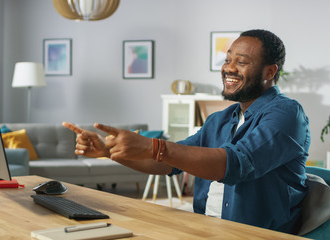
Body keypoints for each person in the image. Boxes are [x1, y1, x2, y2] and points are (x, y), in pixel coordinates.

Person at [62, 29, 310, 234]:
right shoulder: (220, 120)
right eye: (227, 60)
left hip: (254, 234)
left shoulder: (288, 114)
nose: (229, 68)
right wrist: (109, 151)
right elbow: (170, 164)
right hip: (205, 227)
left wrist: (154, 146)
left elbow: (236, 164)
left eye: (242, 62)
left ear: (270, 72)